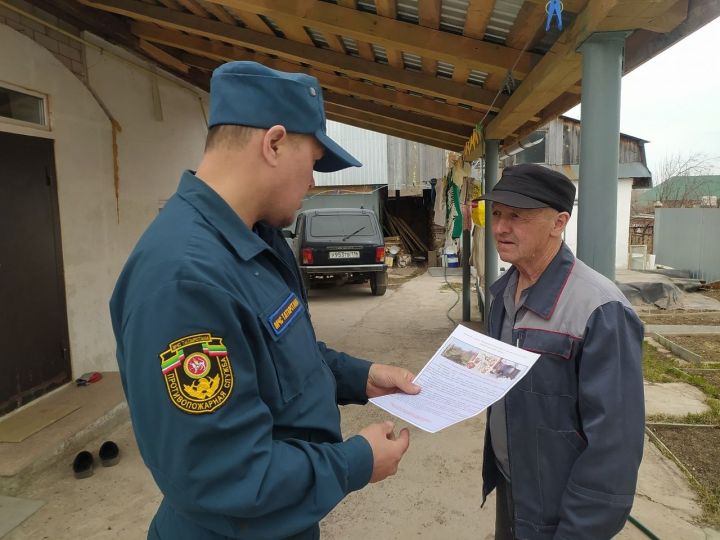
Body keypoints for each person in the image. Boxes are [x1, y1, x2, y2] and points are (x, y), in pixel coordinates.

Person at [109, 61, 420, 540]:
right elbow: (225, 475)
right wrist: (357, 460)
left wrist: (362, 377)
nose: (314, 183)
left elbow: (280, 356)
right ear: (273, 143)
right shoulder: (185, 278)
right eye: (313, 163)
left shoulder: (256, 240)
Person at [477, 163, 645, 539]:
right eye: (497, 213)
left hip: (562, 507)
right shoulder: (503, 293)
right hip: (512, 483)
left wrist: (581, 529)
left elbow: (614, 448)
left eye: (517, 216)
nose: (500, 227)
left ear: (559, 222)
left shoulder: (600, 309)